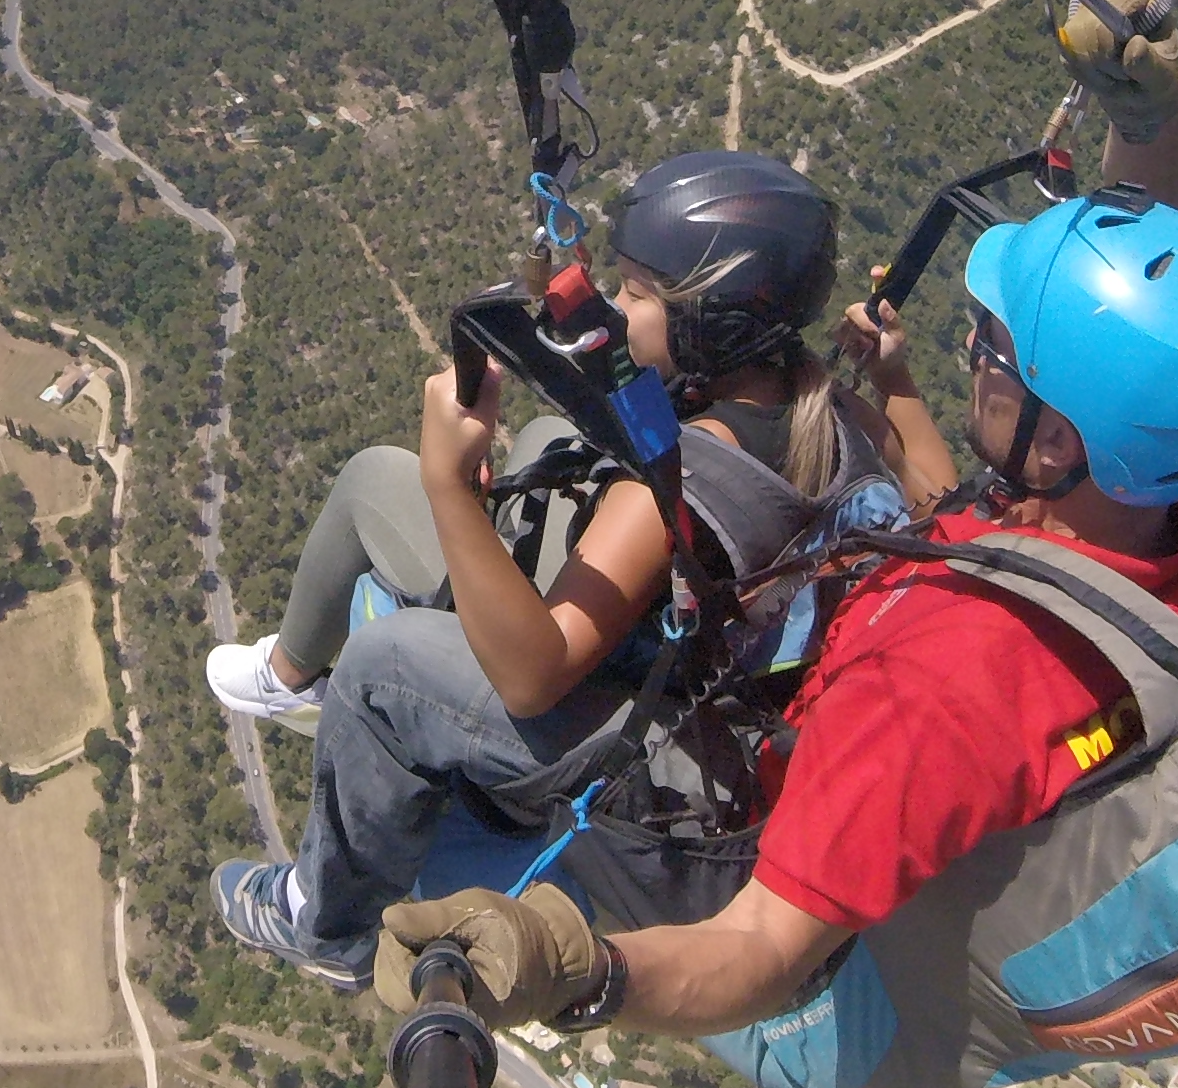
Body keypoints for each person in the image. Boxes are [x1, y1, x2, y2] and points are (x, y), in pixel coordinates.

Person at [367, 8, 1178, 1059]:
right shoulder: (1162, 513)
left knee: (391, 668)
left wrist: (575, 965)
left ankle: (338, 901)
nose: (975, 347)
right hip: (863, 739)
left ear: (1054, 447)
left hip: (753, 886)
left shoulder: (937, 694)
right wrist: (1150, 121)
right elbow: (1170, 345)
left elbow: (765, 951)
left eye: (997, 352)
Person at [204, 151, 950, 991]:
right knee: (546, 449)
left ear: (714, 325)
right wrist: (893, 376)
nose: (616, 307)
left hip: (669, 775)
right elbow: (943, 502)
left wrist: (448, 485)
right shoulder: (837, 410)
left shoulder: (683, 483)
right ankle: (301, 679)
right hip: (723, 705)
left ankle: (322, 921)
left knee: (384, 665)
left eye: (636, 293)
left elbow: (533, 680)